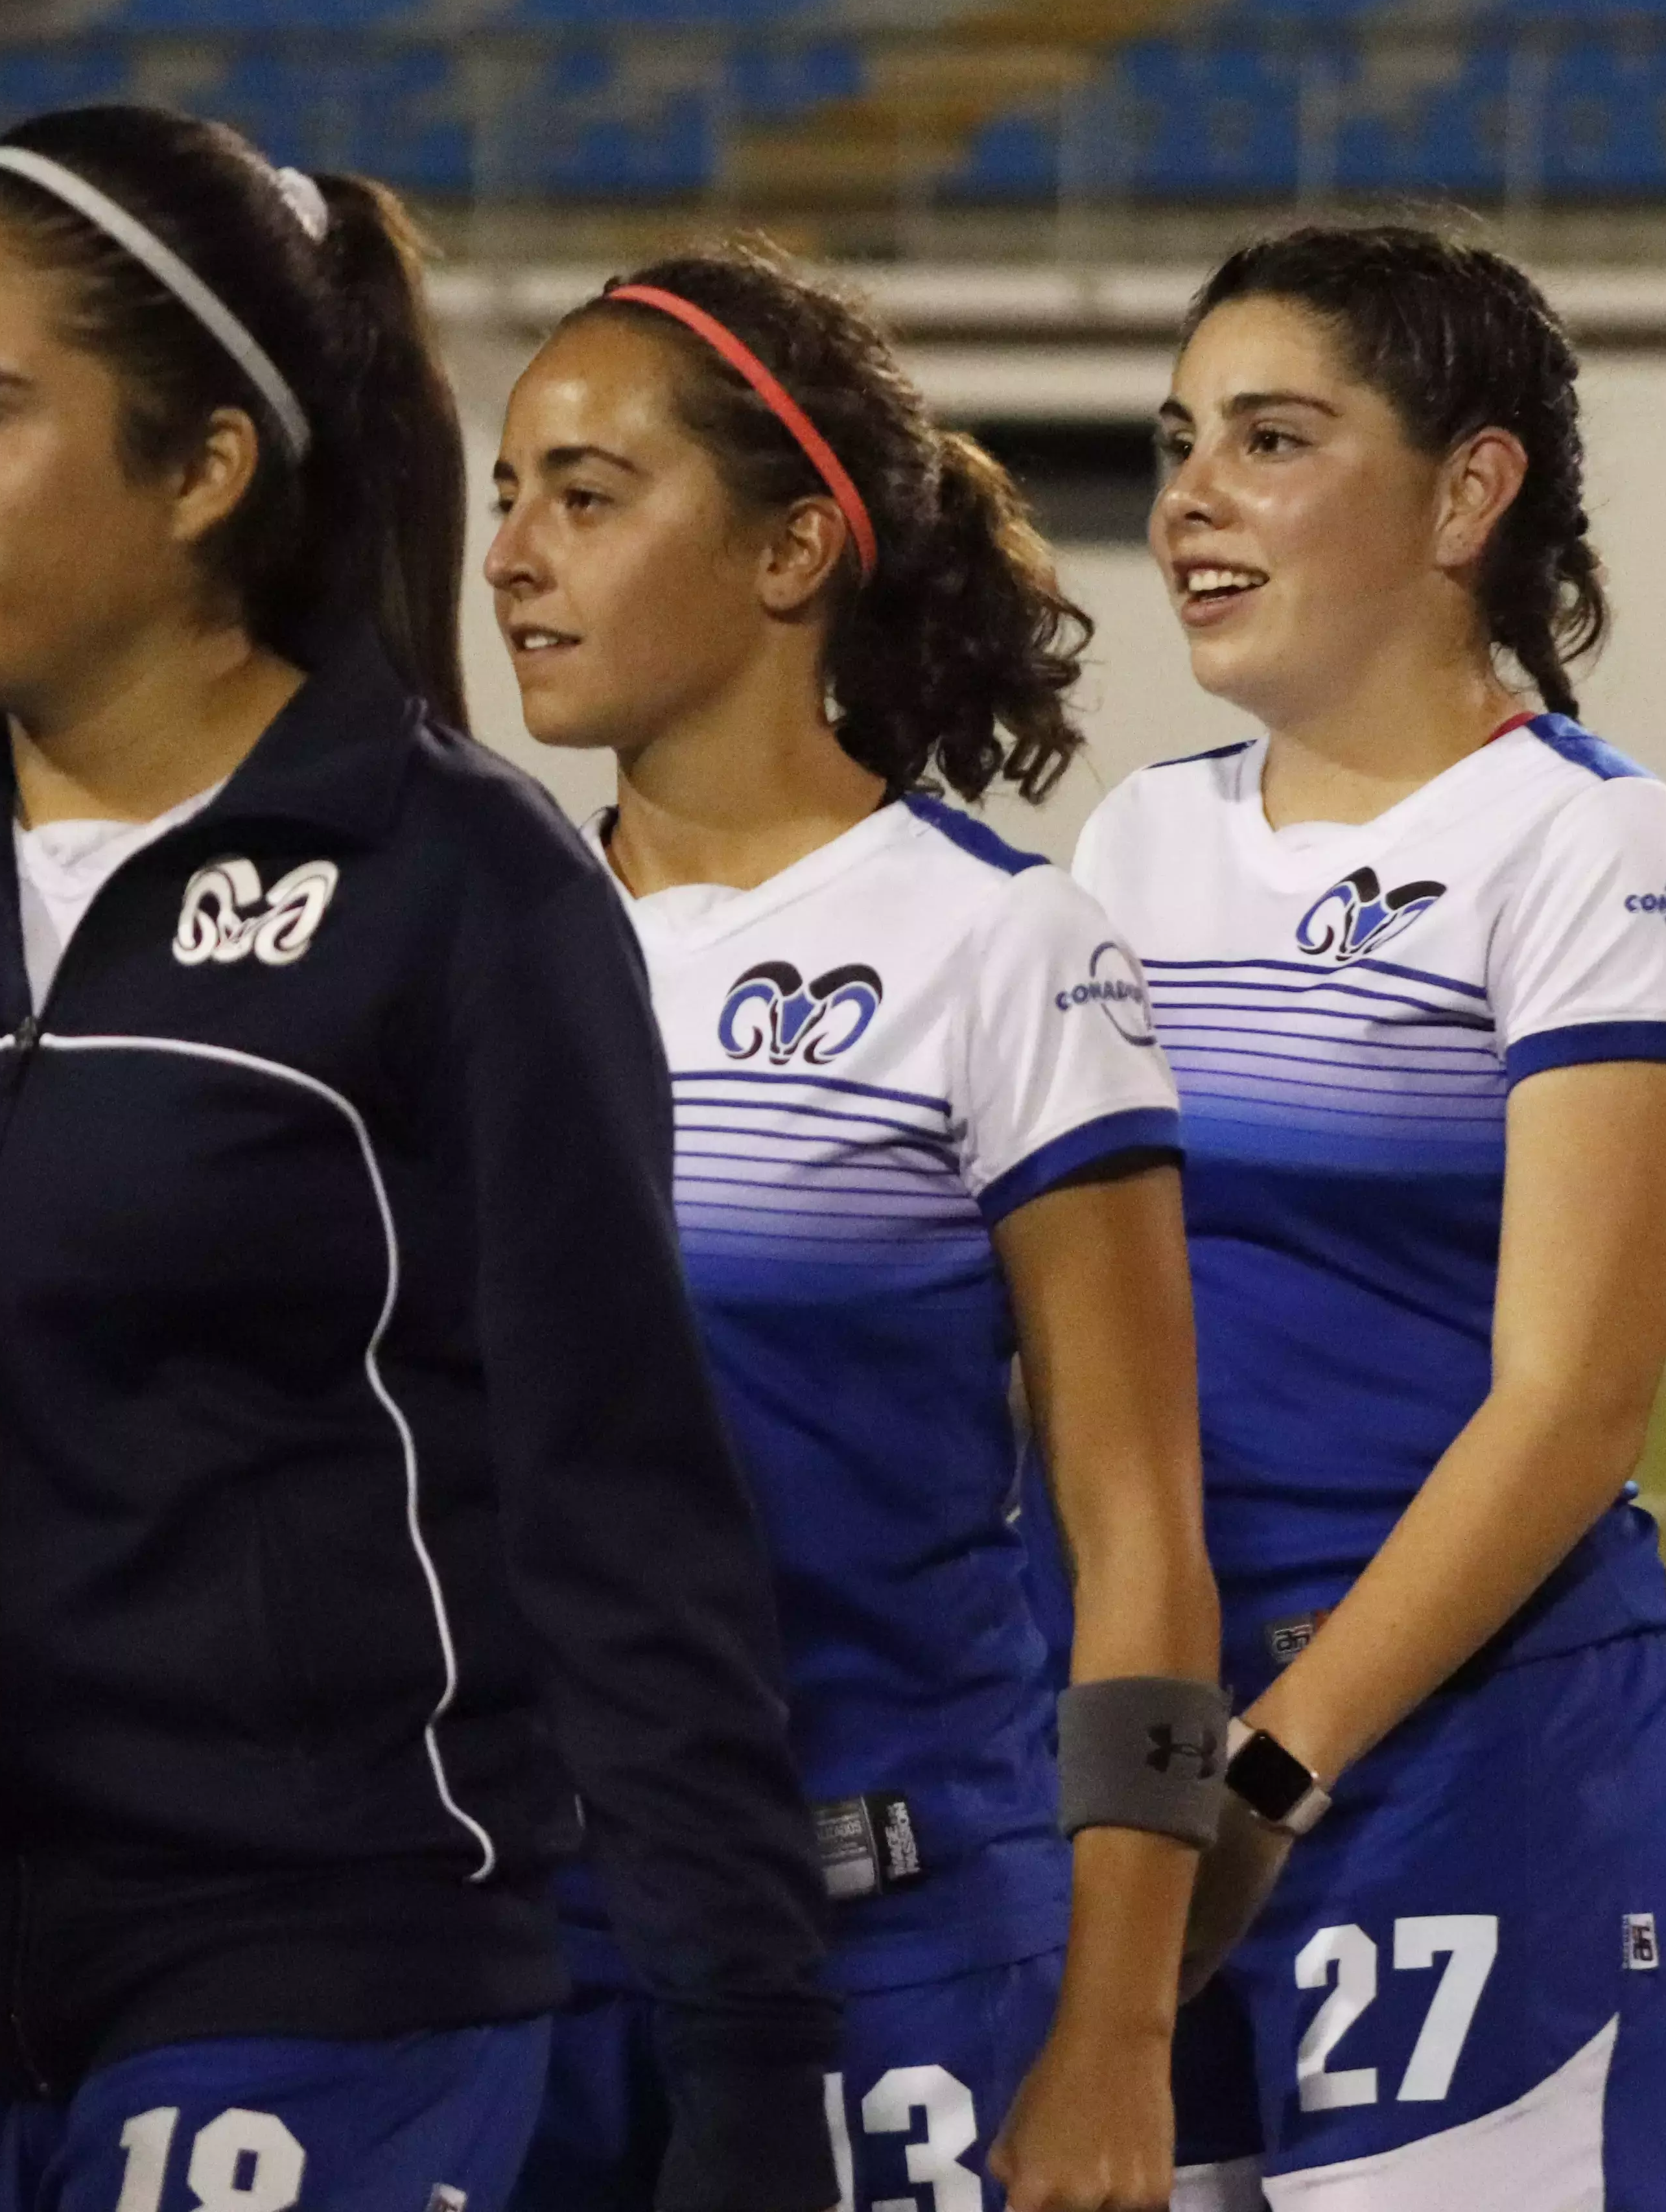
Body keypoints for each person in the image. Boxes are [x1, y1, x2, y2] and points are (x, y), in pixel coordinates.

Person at [0, 107, 840, 2212]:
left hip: (321, 1970)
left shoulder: (454, 886)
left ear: (202, 471)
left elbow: (626, 1517)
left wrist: (748, 2065)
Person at [484, 245, 1222, 2212]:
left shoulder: (998, 944)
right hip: (512, 1961)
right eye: (503, 491)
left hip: (891, 1953)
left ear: (792, 543)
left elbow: (1136, 1527)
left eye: (585, 492)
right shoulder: (468, 945)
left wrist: (1115, 2031)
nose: (511, 556)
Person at [1074, 224, 1666, 2209]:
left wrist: (1274, 1770)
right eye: (1179, 438)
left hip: (1453, 1766)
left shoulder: (1589, 849)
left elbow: (1564, 1410)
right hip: (1148, 1759)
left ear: (1468, 490)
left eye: (1272, 437)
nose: (1193, 494)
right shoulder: (1139, 838)